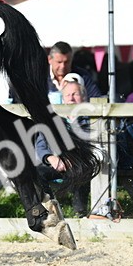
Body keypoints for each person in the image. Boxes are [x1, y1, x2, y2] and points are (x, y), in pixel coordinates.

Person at [34, 76, 93, 218]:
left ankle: (80, 214)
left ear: (83, 98)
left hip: (81, 163)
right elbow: (41, 145)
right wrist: (51, 158)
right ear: (63, 98)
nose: (71, 98)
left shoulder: (91, 118)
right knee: (36, 173)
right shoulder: (53, 120)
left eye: (75, 94)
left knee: (82, 170)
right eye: (68, 95)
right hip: (58, 164)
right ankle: (50, 211)